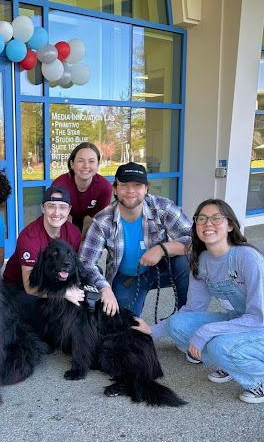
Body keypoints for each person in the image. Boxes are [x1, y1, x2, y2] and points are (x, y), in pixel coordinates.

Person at [136, 199, 264, 404]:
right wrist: (152, 331)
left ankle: (258, 381)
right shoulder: (201, 260)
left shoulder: (247, 257)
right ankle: (231, 364)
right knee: (179, 324)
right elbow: (193, 308)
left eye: (216, 218)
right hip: (239, 321)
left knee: (218, 345)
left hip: (259, 325)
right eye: (201, 219)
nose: (208, 224)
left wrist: (206, 332)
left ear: (230, 225)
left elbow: (258, 318)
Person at [80, 162, 191, 317]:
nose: (130, 191)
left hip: (161, 270)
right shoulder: (102, 220)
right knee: (124, 326)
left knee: (184, 261)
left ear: (146, 188)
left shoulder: (162, 207)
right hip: (127, 278)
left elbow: (195, 240)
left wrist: (162, 249)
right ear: (115, 189)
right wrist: (105, 288)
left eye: (137, 185)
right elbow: (86, 261)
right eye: (124, 185)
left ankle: (187, 317)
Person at [3, 185, 84, 307]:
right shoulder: (29, 237)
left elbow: (77, 267)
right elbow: (30, 287)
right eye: (51, 206)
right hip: (18, 286)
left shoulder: (73, 232)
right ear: (43, 208)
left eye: (62, 207)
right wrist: (63, 293)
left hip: (51, 279)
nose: (57, 213)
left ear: (69, 210)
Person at [53, 142, 112, 236]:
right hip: (64, 222)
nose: (86, 166)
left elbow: (100, 222)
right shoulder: (60, 185)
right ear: (72, 164)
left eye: (91, 161)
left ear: (98, 165)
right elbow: (55, 220)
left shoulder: (104, 187)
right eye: (80, 161)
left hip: (90, 224)